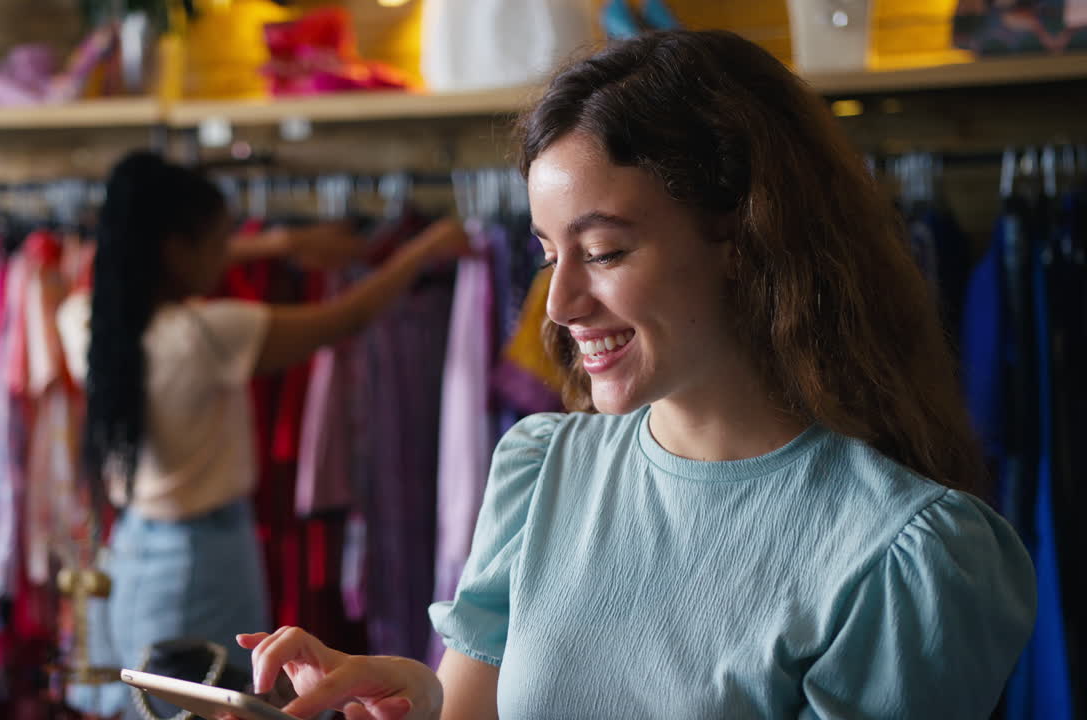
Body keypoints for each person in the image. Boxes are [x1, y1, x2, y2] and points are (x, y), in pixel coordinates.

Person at [232, 30, 1038, 720]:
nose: (561, 305)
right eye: (549, 257)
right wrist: (402, 691)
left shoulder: (901, 557)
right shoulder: (543, 468)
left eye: (605, 251)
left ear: (745, 236)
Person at [62, 150, 469, 718]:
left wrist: (278, 245)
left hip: (133, 546)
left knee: (155, 705)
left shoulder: (85, 318)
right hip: (200, 555)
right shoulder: (208, 335)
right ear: (175, 250)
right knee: (214, 703)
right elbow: (346, 318)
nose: (226, 254)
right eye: (217, 241)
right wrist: (422, 250)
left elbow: (156, 265)